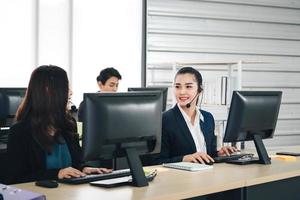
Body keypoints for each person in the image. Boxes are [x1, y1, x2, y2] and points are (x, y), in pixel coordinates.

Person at [6, 65, 111, 184]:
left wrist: (84, 169)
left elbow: (76, 163)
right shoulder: (20, 131)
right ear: (48, 91)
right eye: (66, 87)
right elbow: (14, 179)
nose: (70, 92)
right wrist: (56, 173)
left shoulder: (68, 124)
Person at [155, 67, 237, 165]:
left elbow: (208, 154)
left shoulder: (207, 118)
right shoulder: (164, 120)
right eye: (177, 86)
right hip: (180, 178)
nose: (182, 92)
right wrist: (184, 159)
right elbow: (156, 162)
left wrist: (219, 154)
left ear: (199, 90)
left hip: (207, 176)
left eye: (188, 86)